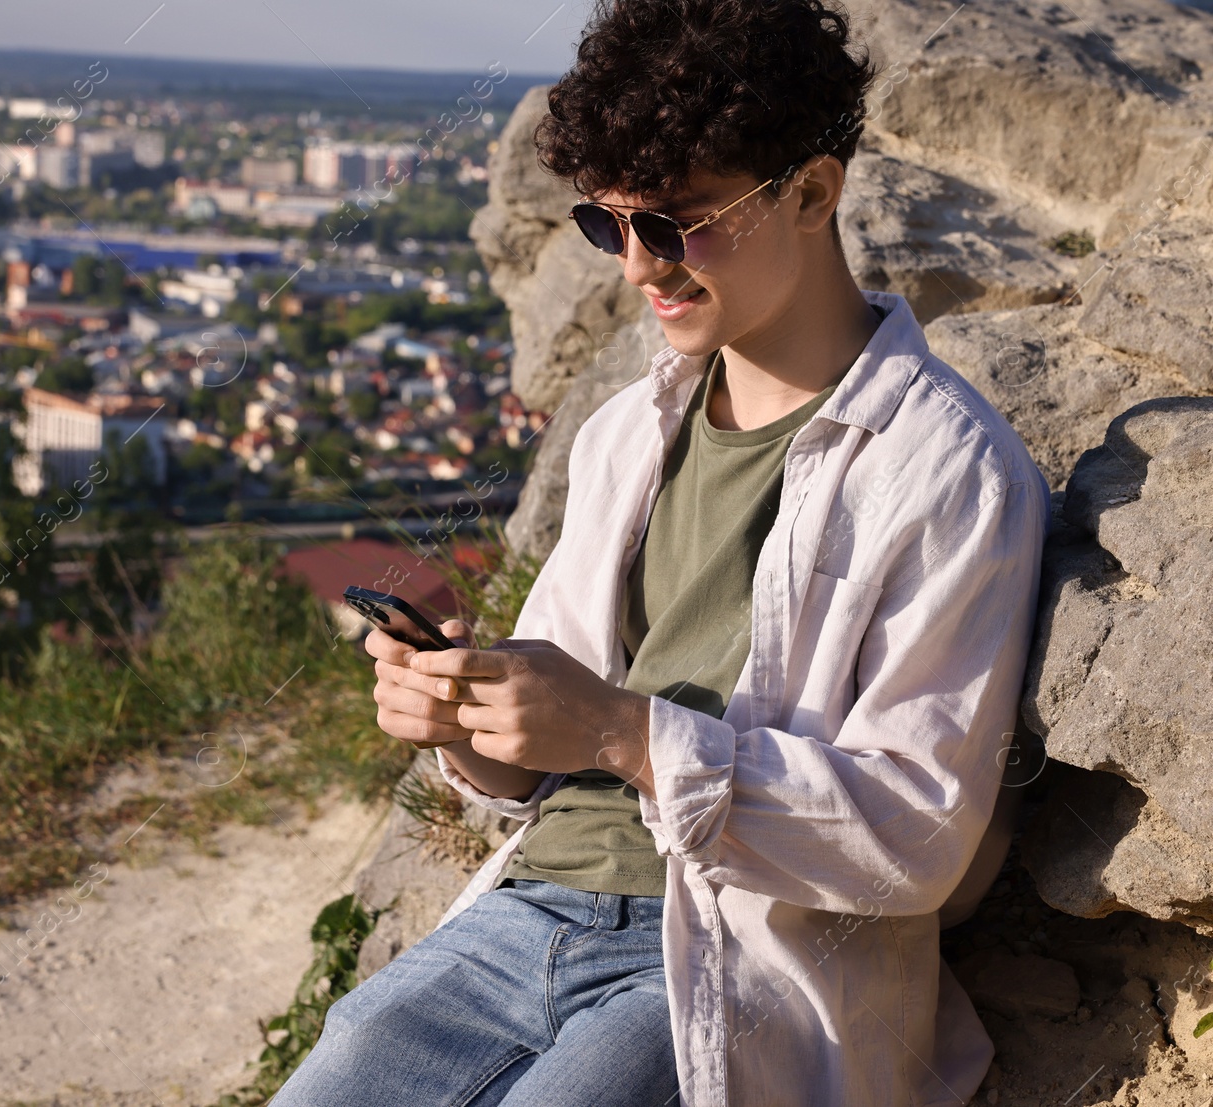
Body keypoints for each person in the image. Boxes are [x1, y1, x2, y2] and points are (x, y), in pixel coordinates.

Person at [271, 0, 1050, 1103]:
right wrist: (463, 715)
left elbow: (914, 840)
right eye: (608, 225)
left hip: (733, 954)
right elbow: (532, 764)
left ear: (812, 192)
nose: (639, 266)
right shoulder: (624, 433)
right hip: (526, 909)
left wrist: (618, 729)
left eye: (675, 224)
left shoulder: (946, 470)